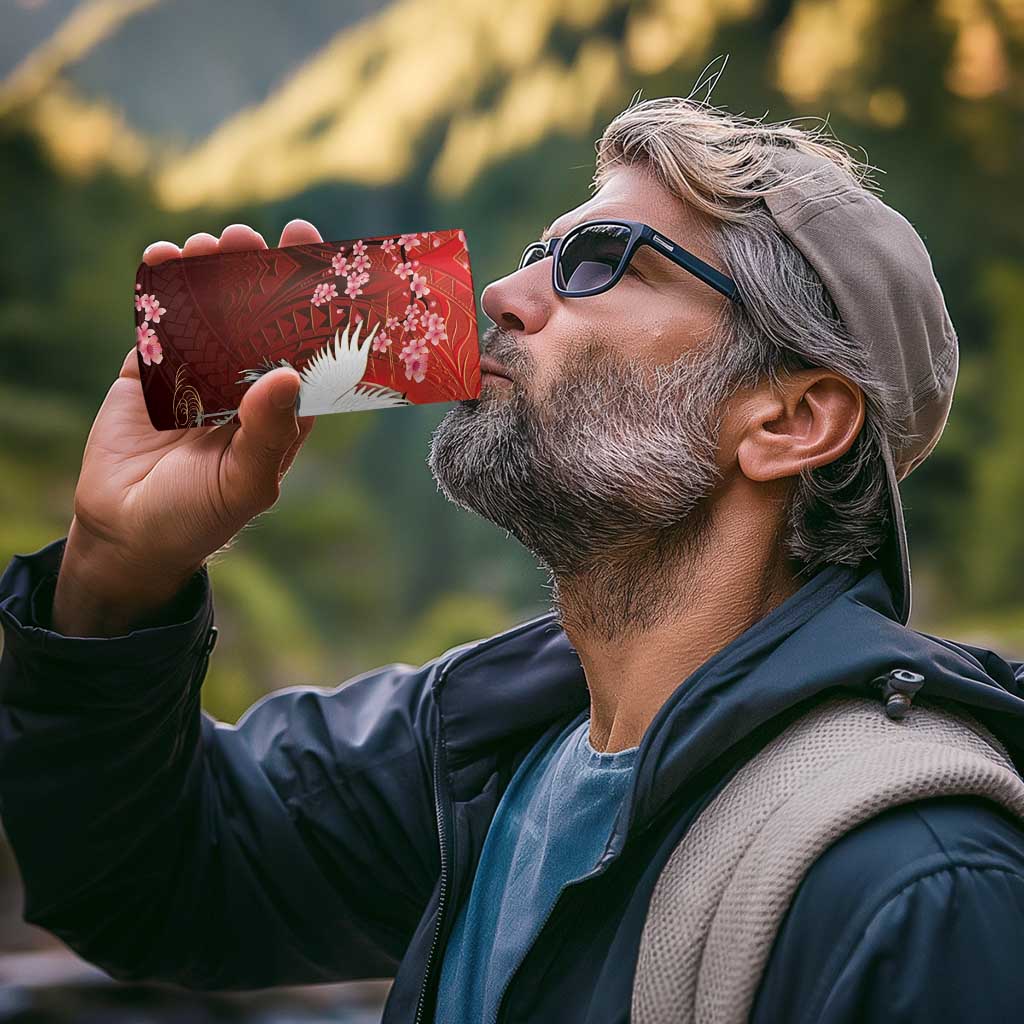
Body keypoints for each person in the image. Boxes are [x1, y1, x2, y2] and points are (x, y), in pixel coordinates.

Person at [2, 94, 1024, 1024]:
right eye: (540, 252)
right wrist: (115, 572)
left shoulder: (918, 885)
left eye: (599, 261)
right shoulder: (480, 748)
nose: (501, 292)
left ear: (790, 419)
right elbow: (149, 880)